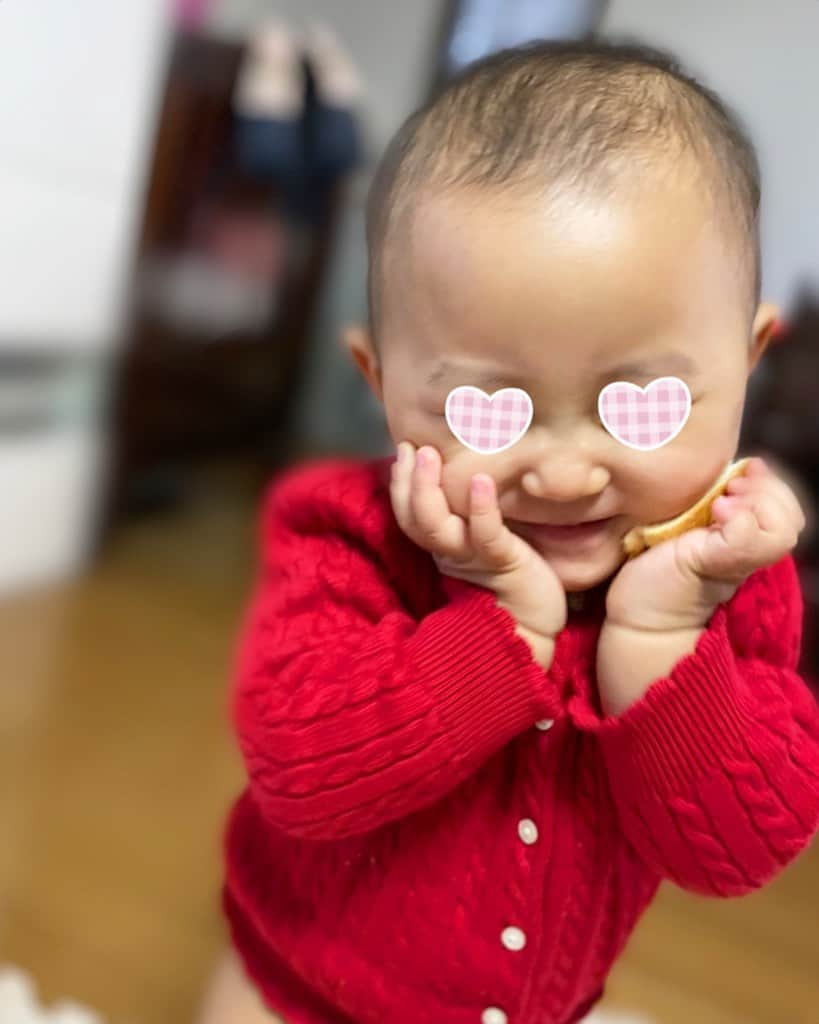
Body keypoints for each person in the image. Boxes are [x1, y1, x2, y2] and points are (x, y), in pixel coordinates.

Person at [198, 38, 819, 1024]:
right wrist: (499, 633)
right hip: (295, 987)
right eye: (490, 410)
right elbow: (297, 774)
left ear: (746, 364)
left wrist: (659, 641)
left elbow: (738, 851)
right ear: (383, 386)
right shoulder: (340, 533)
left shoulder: (729, 579)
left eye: (642, 405)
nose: (565, 474)